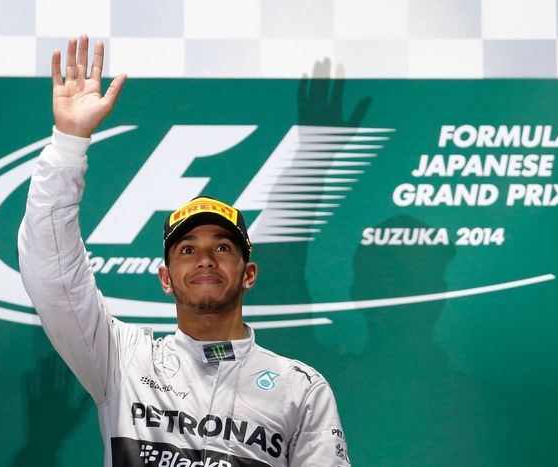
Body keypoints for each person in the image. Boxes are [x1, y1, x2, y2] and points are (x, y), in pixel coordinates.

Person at [18, 35, 350, 467]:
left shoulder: (301, 387)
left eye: (223, 246)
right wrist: (68, 143)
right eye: (187, 249)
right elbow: (53, 275)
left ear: (248, 273)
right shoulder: (123, 359)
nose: (205, 259)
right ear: (166, 277)